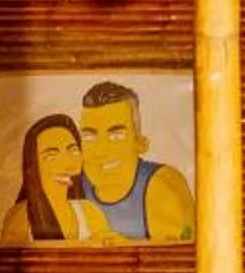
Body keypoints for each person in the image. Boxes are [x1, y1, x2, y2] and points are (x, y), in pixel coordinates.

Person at [75, 79, 195, 242]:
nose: (101, 150)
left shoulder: (162, 185)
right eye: (89, 136)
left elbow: (185, 254)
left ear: (140, 143)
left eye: (116, 136)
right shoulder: (73, 185)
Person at [0, 112, 110, 243]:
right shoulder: (19, 217)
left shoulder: (90, 213)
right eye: (52, 156)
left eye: (72, 150)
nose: (67, 162)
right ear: (33, 166)